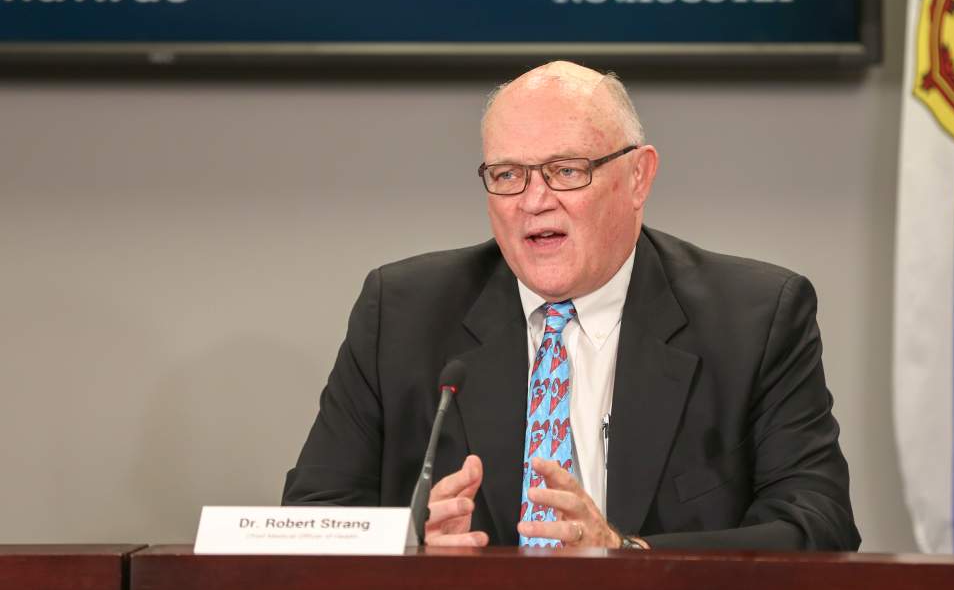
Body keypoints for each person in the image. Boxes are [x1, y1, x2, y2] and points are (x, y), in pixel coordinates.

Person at [283, 61, 859, 551]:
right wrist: (404, 543)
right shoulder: (402, 312)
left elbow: (819, 524)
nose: (534, 201)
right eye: (507, 174)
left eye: (565, 171)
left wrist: (623, 553)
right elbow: (310, 516)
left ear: (639, 177)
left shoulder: (755, 317)